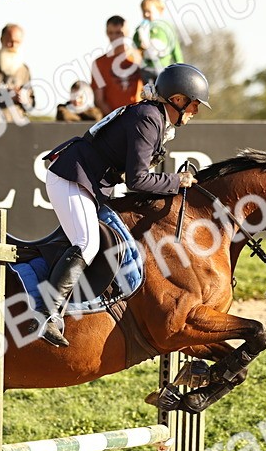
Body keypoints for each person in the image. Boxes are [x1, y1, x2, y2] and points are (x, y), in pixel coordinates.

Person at [39, 63, 209, 347]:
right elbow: (137, 180)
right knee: (86, 243)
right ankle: (48, 314)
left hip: (90, 182)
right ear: (177, 100)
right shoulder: (148, 118)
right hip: (71, 178)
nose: (195, 111)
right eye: (193, 104)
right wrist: (176, 181)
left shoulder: (152, 116)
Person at [91, 15, 143, 114]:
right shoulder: (98, 64)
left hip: (140, 117)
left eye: (119, 33)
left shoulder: (140, 57)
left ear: (127, 33)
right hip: (114, 120)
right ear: (106, 33)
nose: (115, 37)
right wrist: (115, 120)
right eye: (111, 33)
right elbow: (99, 100)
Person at [132, 0, 183, 85]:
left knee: (162, 91)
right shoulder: (141, 29)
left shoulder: (166, 27)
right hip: (147, 68)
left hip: (163, 68)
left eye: (149, 11)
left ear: (159, 11)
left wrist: (180, 67)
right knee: (149, 92)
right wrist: (140, 43)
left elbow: (175, 47)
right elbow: (135, 46)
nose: (146, 14)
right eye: (144, 12)